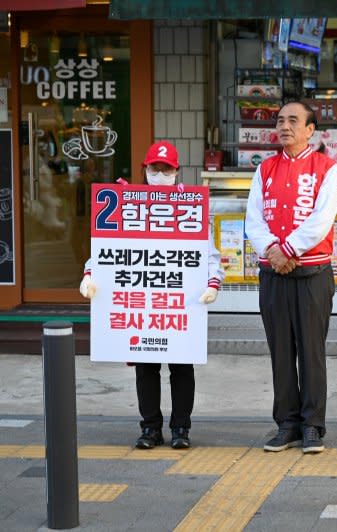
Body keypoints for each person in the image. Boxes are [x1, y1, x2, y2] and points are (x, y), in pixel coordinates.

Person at [79, 141, 223, 450]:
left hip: (179, 304)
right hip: (143, 305)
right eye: (154, 169)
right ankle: (150, 428)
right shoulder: (128, 204)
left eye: (166, 169)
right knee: (146, 368)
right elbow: (107, 251)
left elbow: (208, 253)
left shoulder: (189, 206)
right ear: (145, 170)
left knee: (182, 366)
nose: (160, 174)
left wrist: (213, 282)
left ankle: (181, 428)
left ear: (176, 171)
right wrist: (90, 275)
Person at [245, 101, 337, 454]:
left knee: (311, 351)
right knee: (280, 352)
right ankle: (287, 423)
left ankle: (313, 425)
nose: (285, 126)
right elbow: (253, 217)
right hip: (274, 273)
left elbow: (322, 218)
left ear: (310, 129)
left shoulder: (326, 168)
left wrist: (288, 249)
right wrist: (273, 250)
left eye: (293, 121)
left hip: (312, 272)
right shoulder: (265, 169)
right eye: (281, 120)